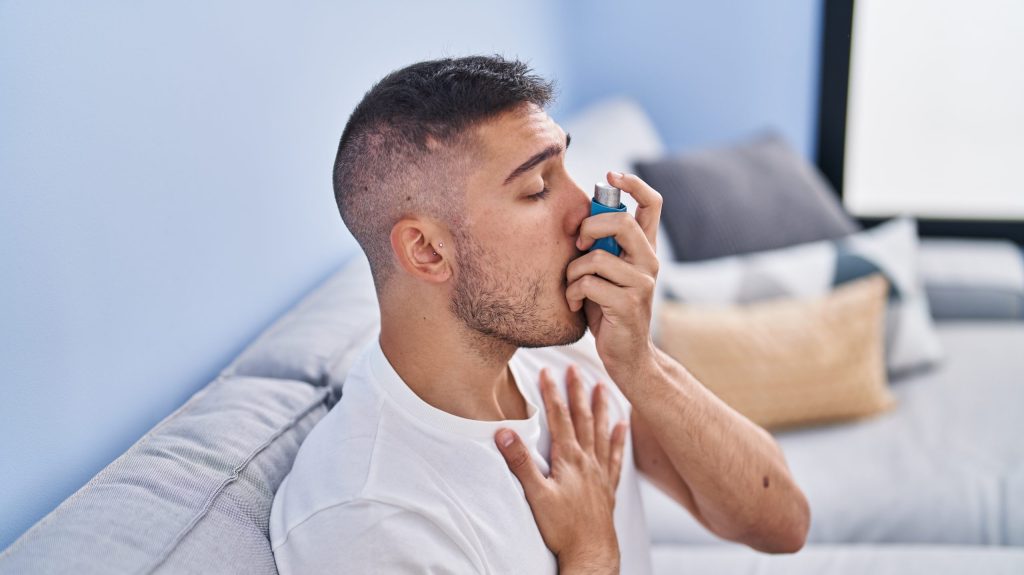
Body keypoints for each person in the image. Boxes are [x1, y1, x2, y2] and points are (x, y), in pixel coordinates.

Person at [268, 55, 810, 574]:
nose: (588, 213)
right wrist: (592, 556)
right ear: (428, 251)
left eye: (568, 168)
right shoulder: (369, 522)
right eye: (536, 189)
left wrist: (640, 365)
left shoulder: (563, 354)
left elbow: (782, 525)